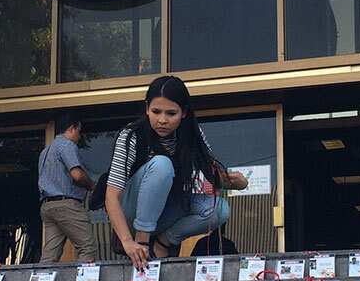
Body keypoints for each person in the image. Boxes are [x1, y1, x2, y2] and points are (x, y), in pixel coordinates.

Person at [104, 76, 248, 270]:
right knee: (162, 164)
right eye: (156, 112)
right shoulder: (131, 136)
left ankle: (163, 242)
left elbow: (214, 176)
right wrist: (128, 241)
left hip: (165, 214)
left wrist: (240, 183)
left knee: (220, 209)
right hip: (131, 215)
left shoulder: (192, 135)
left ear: (184, 113)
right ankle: (143, 241)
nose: (162, 120)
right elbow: (111, 196)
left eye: (171, 113)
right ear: (146, 108)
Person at [37, 112, 97, 264]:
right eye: (79, 131)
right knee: (87, 247)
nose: (79, 136)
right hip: (66, 204)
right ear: (72, 128)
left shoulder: (45, 151)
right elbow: (77, 175)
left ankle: (42, 279)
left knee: (49, 256)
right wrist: (92, 185)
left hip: (47, 206)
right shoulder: (67, 145)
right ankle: (82, 279)